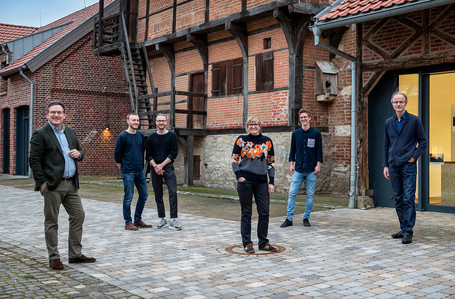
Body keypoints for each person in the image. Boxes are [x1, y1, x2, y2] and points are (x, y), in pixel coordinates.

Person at [29, 100, 96, 270]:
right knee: (52, 221)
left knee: (78, 215)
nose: (56, 115)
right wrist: (42, 184)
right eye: (53, 112)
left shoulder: (71, 132)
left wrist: (78, 154)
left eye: (59, 112)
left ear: (64, 115)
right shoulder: (40, 133)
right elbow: (34, 160)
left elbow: (81, 151)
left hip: (71, 185)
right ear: (47, 115)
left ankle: (75, 254)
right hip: (52, 185)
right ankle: (54, 257)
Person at [383, 92, 427, 244]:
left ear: (405, 103)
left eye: (401, 102)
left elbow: (423, 142)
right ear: (392, 104)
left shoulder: (414, 120)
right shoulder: (389, 122)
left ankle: (408, 231)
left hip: (408, 166)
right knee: (399, 199)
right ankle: (403, 228)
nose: (398, 104)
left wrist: (413, 157)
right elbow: (386, 145)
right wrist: (385, 165)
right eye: (396, 102)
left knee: (408, 198)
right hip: (393, 166)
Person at [231, 116, 277, 254]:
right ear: (247, 126)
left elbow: (271, 163)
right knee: (246, 213)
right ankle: (247, 243)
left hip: (262, 182)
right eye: (250, 124)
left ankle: (263, 242)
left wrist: (271, 182)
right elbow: (234, 159)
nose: (253, 126)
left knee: (264, 212)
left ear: (259, 126)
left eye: (255, 124)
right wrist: (239, 176)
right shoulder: (241, 140)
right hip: (245, 182)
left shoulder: (267, 141)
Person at [281, 108, 323, 228]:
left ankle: (306, 218)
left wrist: (318, 165)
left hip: (311, 170)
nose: (303, 119)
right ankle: (289, 218)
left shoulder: (316, 134)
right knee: (292, 193)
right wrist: (291, 165)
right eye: (301, 118)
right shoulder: (295, 134)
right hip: (298, 169)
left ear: (309, 118)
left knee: (310, 195)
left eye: (305, 117)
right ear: (300, 120)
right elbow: (292, 151)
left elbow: (319, 151)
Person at [114, 113, 152, 231]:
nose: (136, 122)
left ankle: (138, 219)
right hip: (128, 171)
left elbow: (141, 151)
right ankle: (128, 222)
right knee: (128, 197)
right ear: (128, 121)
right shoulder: (122, 136)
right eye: (133, 120)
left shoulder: (140, 136)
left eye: (137, 120)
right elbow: (117, 154)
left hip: (139, 171)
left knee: (144, 194)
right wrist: (122, 167)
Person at [145, 113, 181, 230]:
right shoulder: (151, 138)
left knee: (173, 192)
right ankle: (162, 218)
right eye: (159, 121)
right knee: (158, 194)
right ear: (156, 122)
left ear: (166, 122)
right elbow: (148, 155)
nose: (161, 123)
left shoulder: (172, 136)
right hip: (154, 168)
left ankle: (173, 219)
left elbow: (173, 153)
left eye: (163, 121)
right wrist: (156, 166)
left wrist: (161, 165)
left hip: (168, 167)